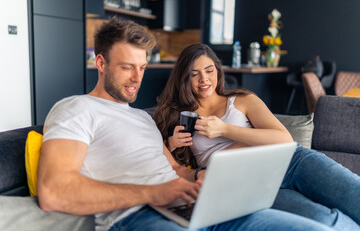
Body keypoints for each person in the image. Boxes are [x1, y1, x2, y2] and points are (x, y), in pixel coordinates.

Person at [37, 18, 344, 231]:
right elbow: (53, 191)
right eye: (127, 67)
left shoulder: (142, 119)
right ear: (101, 64)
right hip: (140, 216)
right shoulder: (76, 107)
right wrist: (153, 193)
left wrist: (198, 178)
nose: (137, 78)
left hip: (203, 206)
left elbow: (177, 170)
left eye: (142, 67)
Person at [153, 43, 360, 231]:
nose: (204, 79)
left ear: (218, 70)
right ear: (184, 78)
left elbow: (284, 139)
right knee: (324, 221)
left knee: (355, 196)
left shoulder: (242, 99)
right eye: (194, 74)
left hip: (291, 162)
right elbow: (168, 164)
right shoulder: (177, 115)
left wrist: (224, 129)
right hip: (250, 183)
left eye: (209, 70)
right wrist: (172, 145)